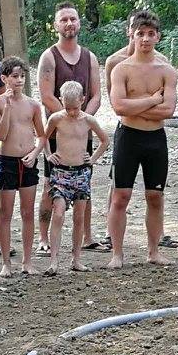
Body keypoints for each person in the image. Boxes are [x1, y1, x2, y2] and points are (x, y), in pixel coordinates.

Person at [105, 10, 178, 267]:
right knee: (120, 196)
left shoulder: (167, 70)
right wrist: (152, 100)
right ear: (132, 35)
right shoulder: (120, 68)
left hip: (155, 138)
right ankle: (117, 253)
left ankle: (153, 251)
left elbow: (168, 110)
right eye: (140, 34)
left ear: (158, 36)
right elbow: (119, 107)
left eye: (150, 34)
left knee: (155, 196)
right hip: (128, 137)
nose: (145, 39)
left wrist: (135, 105)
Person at [37, 3, 102, 251]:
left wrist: (84, 120)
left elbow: (97, 95)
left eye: (73, 19)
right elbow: (46, 95)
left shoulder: (89, 57)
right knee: (49, 184)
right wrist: (66, 118)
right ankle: (43, 239)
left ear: (79, 22)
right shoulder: (49, 57)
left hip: (83, 134)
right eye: (63, 20)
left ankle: (87, 237)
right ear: (56, 25)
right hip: (56, 134)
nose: (69, 24)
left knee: (85, 185)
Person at [0, 58, 47, 276]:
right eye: (14, 76)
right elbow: (0, 135)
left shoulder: (33, 105)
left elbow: (42, 135)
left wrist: (35, 153)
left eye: (22, 76)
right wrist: (7, 107)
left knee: (27, 212)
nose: (19, 80)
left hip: (28, 161)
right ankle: (6, 262)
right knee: (5, 212)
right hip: (7, 161)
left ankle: (27, 261)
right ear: (4, 78)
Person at [44, 81, 107, 273]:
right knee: (58, 213)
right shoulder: (56, 118)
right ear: (61, 101)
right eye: (67, 108)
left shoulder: (88, 120)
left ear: (83, 100)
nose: (71, 112)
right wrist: (48, 154)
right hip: (60, 172)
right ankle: (53, 261)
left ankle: (76, 259)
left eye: (75, 108)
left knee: (79, 216)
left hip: (81, 173)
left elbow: (105, 140)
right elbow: (43, 136)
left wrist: (92, 159)